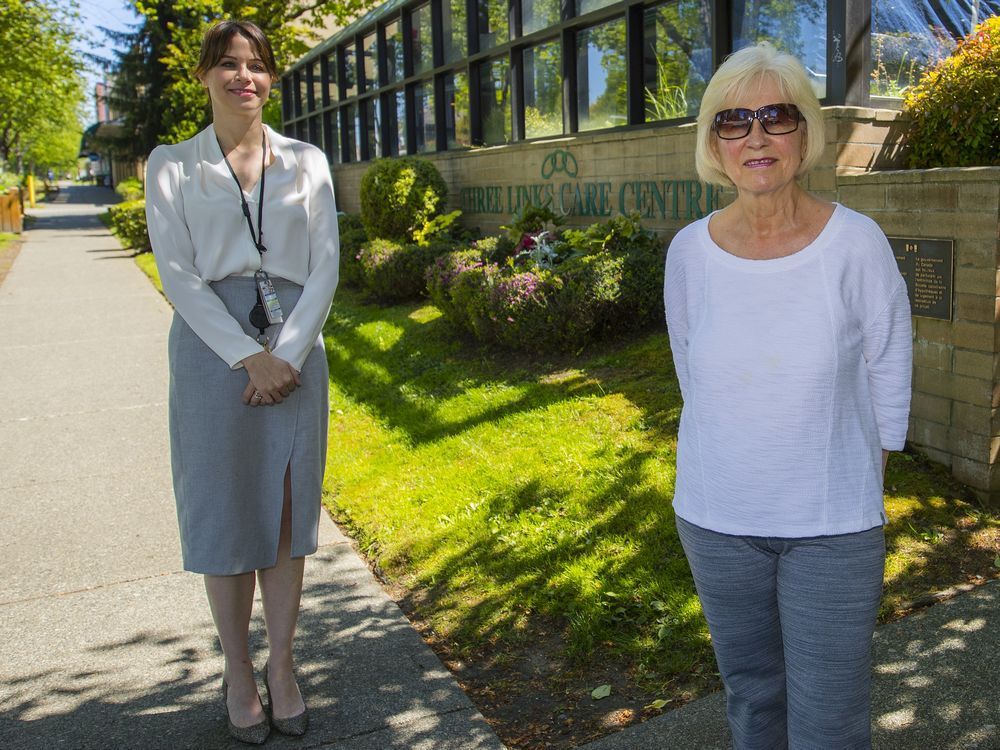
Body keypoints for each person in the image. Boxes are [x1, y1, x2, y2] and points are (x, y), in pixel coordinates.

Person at [663, 43, 912, 749]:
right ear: (714, 141)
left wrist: (871, 473)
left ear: (805, 132)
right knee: (751, 696)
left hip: (832, 525)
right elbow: (692, 372)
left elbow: (889, 362)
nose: (757, 137)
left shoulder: (855, 244)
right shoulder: (688, 252)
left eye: (777, 116)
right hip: (716, 518)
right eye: (734, 121)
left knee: (830, 717)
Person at [144, 20, 339, 744]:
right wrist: (245, 355)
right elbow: (178, 275)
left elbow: (324, 265)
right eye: (228, 64)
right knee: (225, 512)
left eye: (256, 65)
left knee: (288, 514)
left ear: (271, 79)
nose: (243, 76)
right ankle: (237, 671)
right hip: (210, 347)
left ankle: (283, 666)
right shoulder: (171, 164)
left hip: (297, 340)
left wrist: (284, 353)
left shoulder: (307, 161)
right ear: (203, 76)